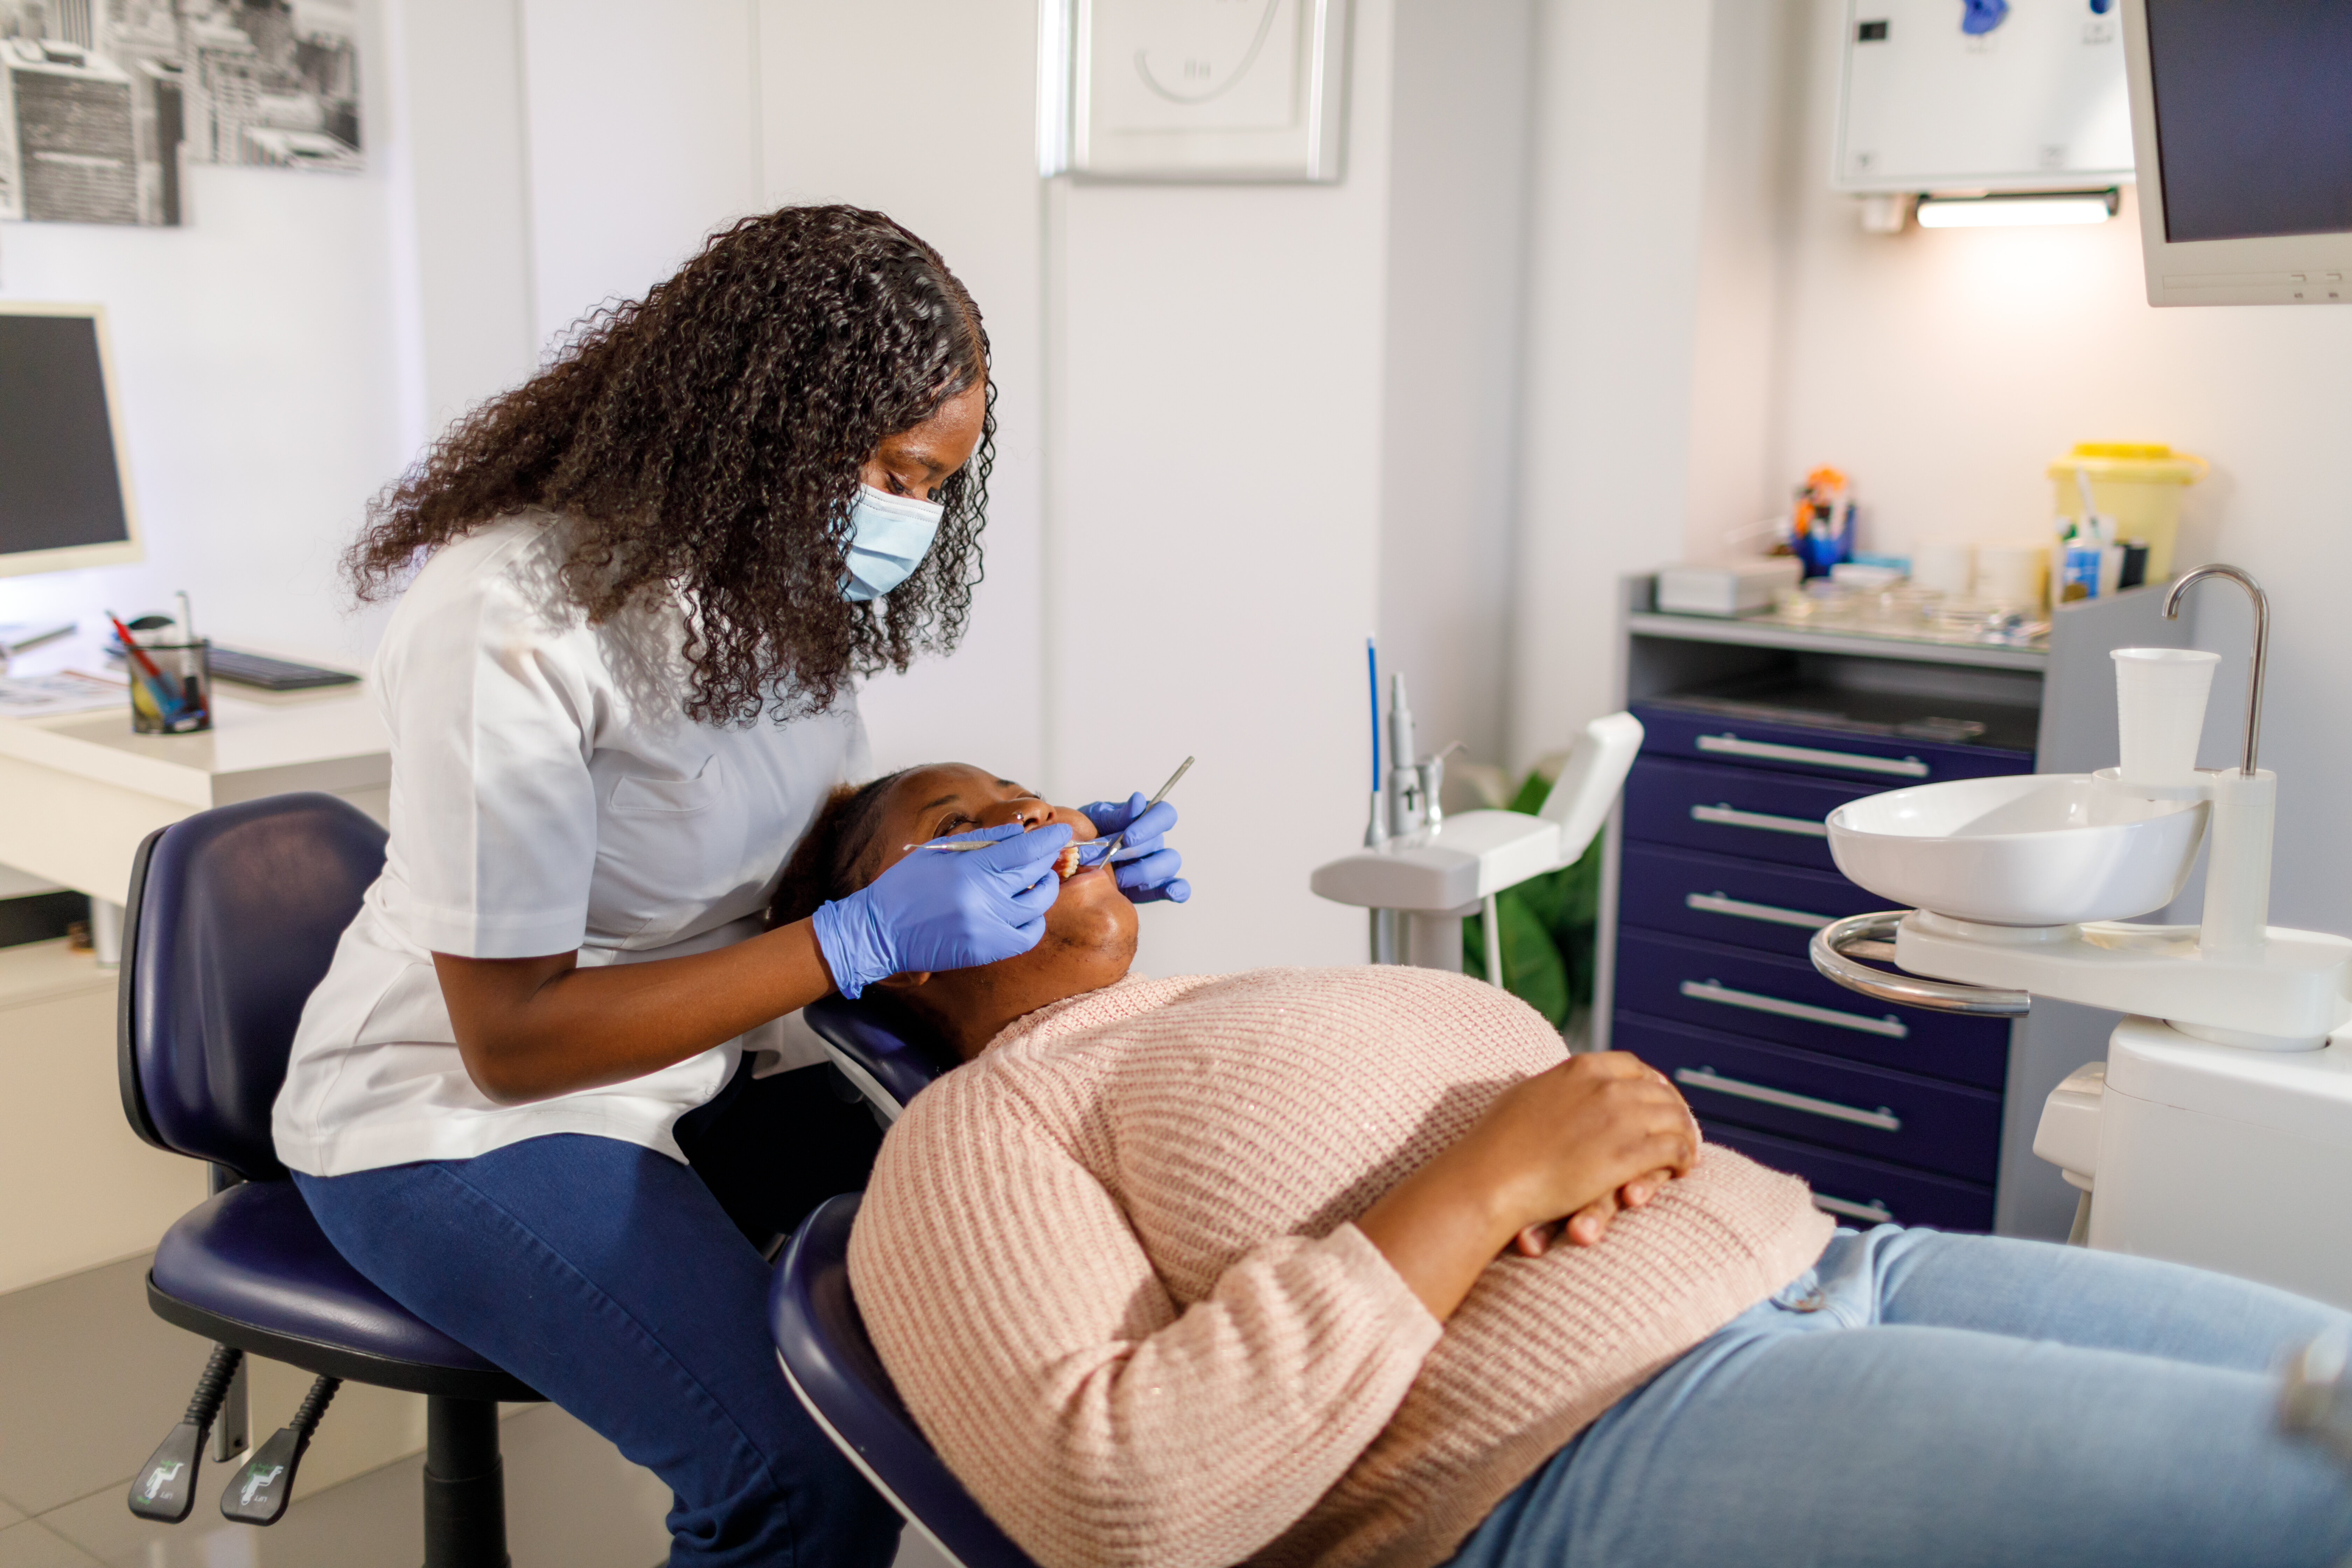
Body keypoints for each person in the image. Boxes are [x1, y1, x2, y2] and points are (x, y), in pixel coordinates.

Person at [771, 762, 2352, 1568]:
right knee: (2304, 1488)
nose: (1031, 810)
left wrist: (1618, 1111)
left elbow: (1553, 1112)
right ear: (895, 959)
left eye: (1027, 785)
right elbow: (1115, 1497)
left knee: (2332, 1383)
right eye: (959, 823)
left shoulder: (1239, 993)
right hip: (1596, 1432)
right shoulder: (975, 1131)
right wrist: (1482, 1186)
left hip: (1829, 1266)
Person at [273, 208, 1185, 1568]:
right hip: (456, 1117)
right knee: (796, 1480)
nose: (910, 517)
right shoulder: (509, 618)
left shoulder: (775, 592)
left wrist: (1037, 829)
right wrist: (864, 933)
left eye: (937, 484)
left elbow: (804, 835)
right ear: (760, 422)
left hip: (705, 1070)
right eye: (890, 470)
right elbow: (512, 1037)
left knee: (1021, 1314)